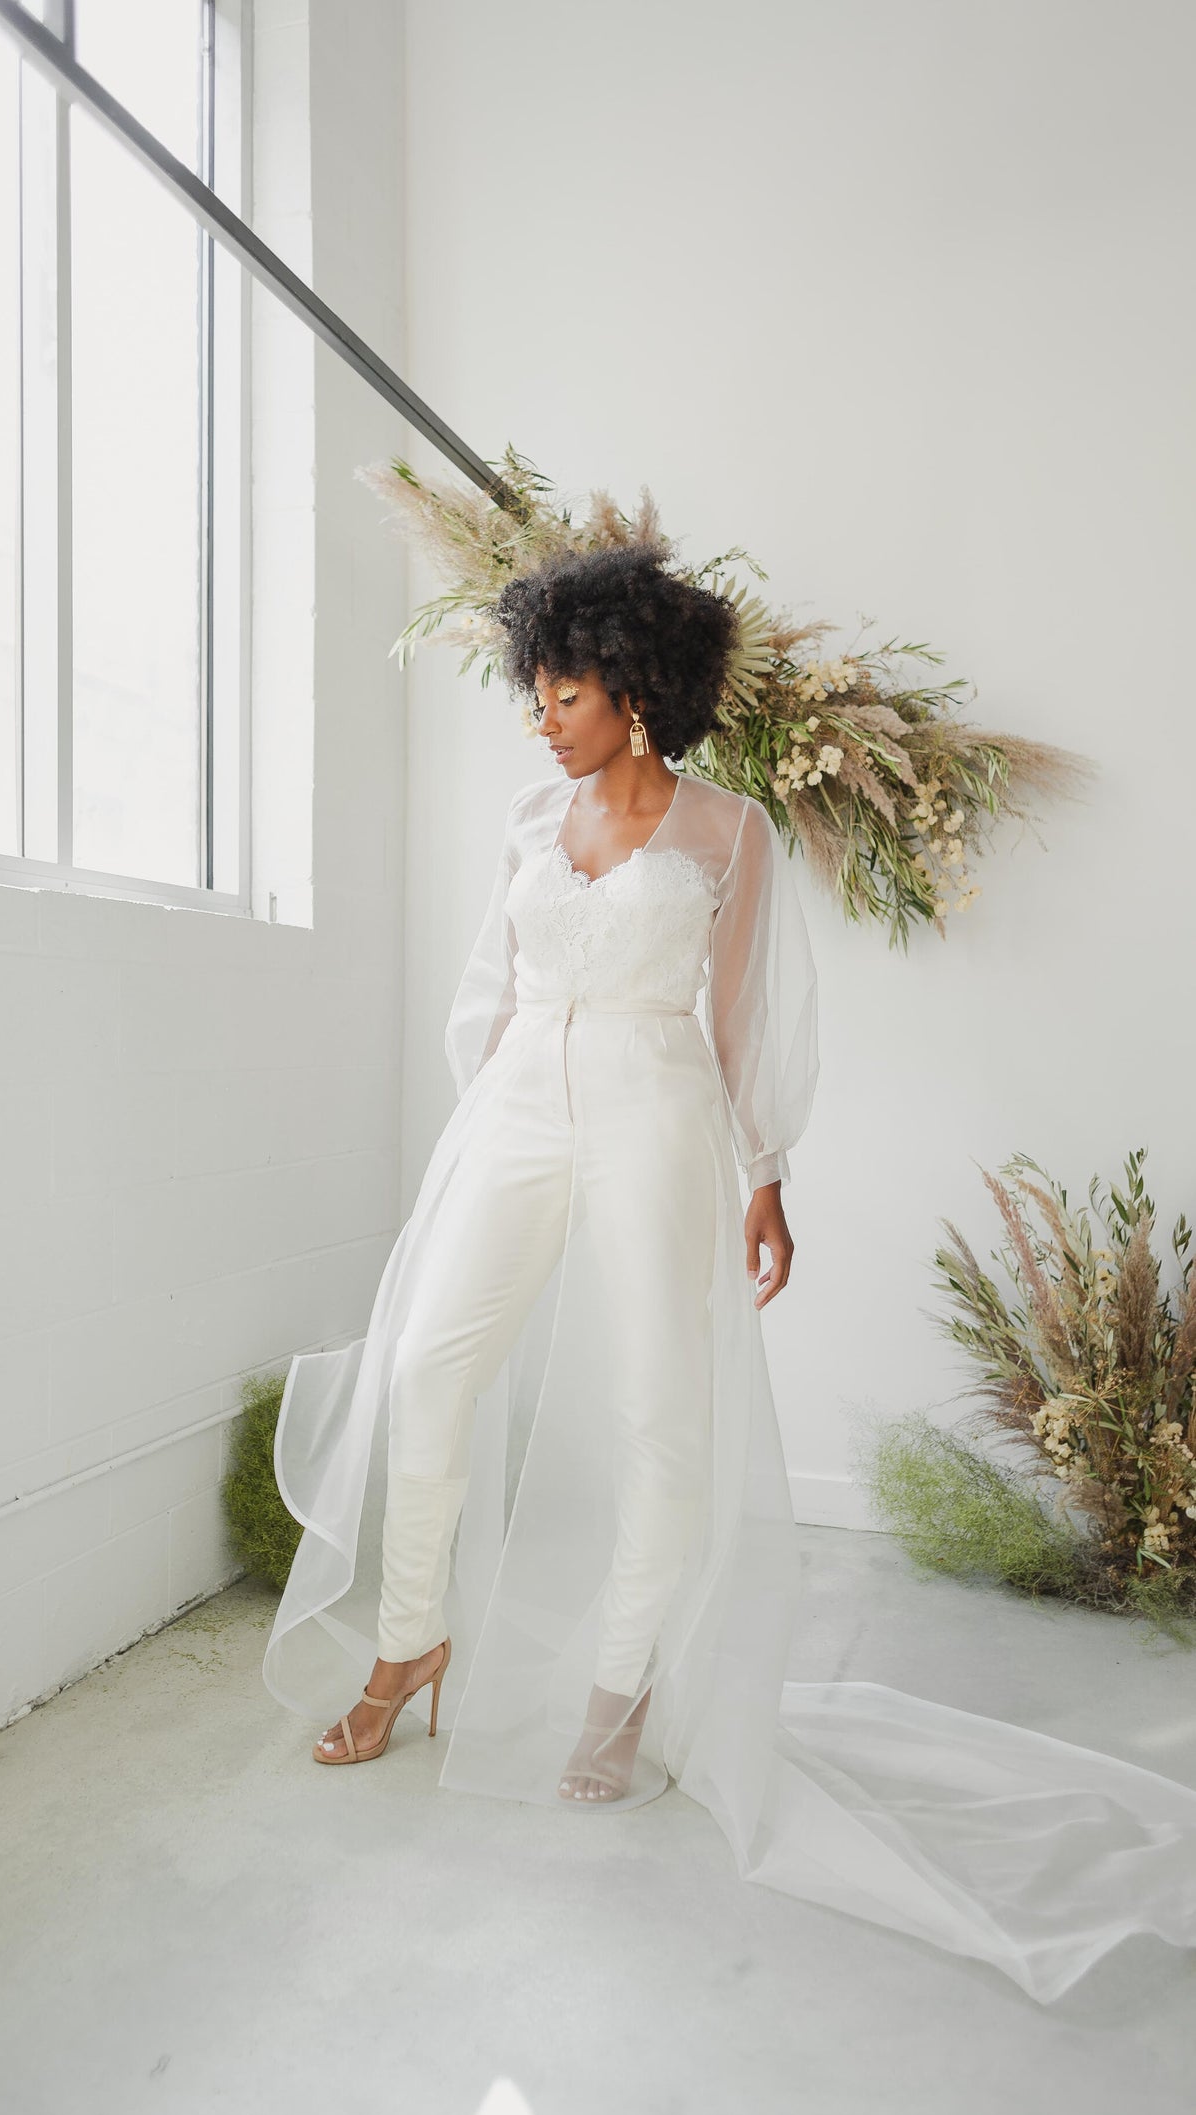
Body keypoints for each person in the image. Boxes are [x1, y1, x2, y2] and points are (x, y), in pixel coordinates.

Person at [263, 542, 1196, 2000]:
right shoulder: (527, 817)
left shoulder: (727, 829)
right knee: (431, 1371)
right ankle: (408, 1648)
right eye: (533, 691)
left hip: (657, 1111)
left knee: (660, 1413)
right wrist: (478, 1136)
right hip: (517, 1107)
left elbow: (748, 1016)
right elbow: (487, 996)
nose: (540, 717)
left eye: (563, 693)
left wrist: (764, 1174)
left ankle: (621, 1689)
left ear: (632, 689)